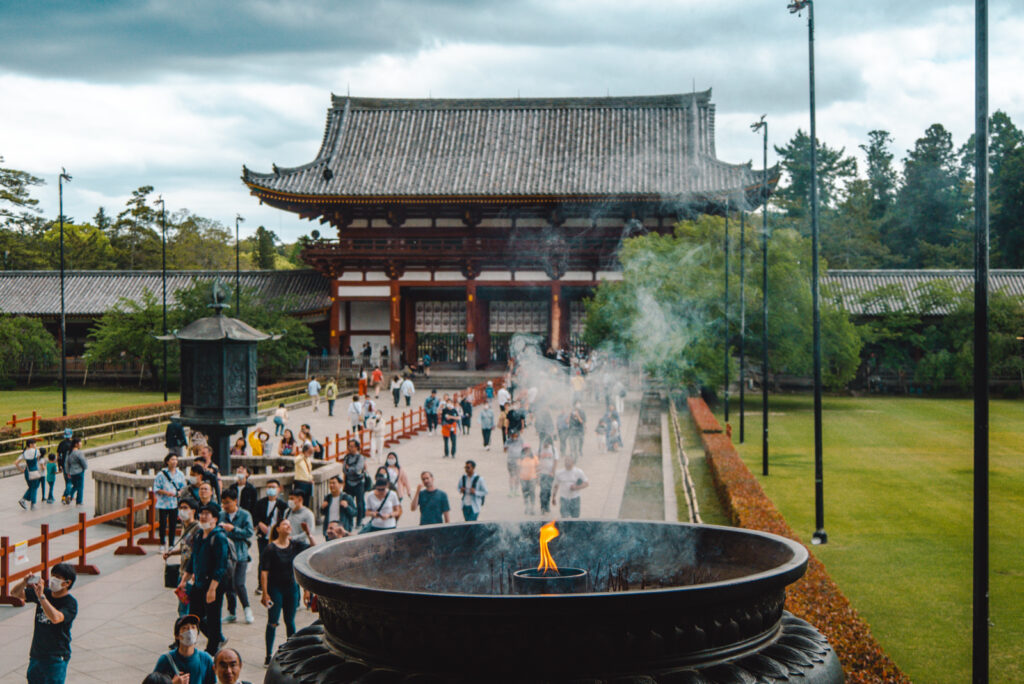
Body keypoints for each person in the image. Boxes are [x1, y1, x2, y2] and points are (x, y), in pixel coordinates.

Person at [260, 518, 314, 667]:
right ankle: (268, 654)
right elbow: (264, 572)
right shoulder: (270, 548)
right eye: (285, 524)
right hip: (275, 589)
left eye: (290, 524)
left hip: (291, 588)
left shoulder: (295, 545)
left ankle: (292, 651)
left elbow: (313, 550)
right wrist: (265, 593)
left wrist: (308, 533)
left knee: (290, 621)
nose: (288, 526)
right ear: (277, 528)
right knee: (273, 622)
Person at [11, 562, 78, 683]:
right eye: (53, 576)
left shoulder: (70, 603)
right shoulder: (45, 593)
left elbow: (56, 618)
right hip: (36, 655)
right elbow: (15, 593)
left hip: (56, 658)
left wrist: (41, 597)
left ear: (67, 583)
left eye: (58, 578)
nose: (53, 580)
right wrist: (24, 582)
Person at [179, 503, 230, 654]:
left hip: (213, 584)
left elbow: (221, 565)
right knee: (195, 617)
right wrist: (184, 580)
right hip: (198, 582)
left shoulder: (219, 537)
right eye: (202, 514)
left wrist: (212, 589)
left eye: (207, 514)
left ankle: (212, 649)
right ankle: (215, 638)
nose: (203, 516)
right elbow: (192, 560)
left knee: (213, 618)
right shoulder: (199, 535)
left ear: (215, 518)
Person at [218, 491, 254, 625]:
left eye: (228, 502)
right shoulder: (221, 515)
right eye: (223, 503)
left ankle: (247, 608)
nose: (225, 506)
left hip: (241, 554)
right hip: (226, 555)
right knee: (228, 585)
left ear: (235, 501)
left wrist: (233, 530)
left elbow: (249, 533)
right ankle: (231, 612)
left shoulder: (245, 515)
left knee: (239, 583)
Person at [163, 498, 201, 617]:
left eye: (185, 508)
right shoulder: (184, 527)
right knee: (183, 605)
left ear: (193, 511)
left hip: (190, 575)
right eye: (180, 508)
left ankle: (187, 629)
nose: (182, 511)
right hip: (182, 572)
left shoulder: (198, 529)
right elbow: (186, 548)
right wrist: (171, 553)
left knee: (186, 608)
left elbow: (198, 552)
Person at [152, 614, 215, 684]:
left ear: (197, 634)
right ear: (177, 635)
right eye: (185, 628)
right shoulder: (166, 660)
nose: (190, 632)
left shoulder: (205, 659)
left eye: (193, 627)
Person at [154, 452, 188, 552]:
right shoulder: (161, 474)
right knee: (163, 524)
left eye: (176, 460)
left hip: (174, 503)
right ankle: (162, 543)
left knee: (173, 524)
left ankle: (171, 544)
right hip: (163, 503)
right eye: (172, 459)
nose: (174, 462)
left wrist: (179, 493)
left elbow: (184, 487)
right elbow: (156, 488)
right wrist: (166, 493)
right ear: (167, 461)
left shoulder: (180, 474)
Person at [253, 480, 288, 569]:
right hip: (263, 536)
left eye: (273, 487)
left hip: (277, 536)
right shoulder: (260, 503)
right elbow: (255, 516)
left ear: (279, 489)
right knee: (263, 560)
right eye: (269, 487)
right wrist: (260, 524)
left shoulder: (283, 505)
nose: (271, 489)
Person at [341, 439, 367, 524]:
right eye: (349, 446)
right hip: (349, 482)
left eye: (352, 446)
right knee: (348, 502)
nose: (350, 448)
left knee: (359, 502)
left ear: (357, 447)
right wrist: (349, 470)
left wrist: (350, 469)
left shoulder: (360, 457)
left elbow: (358, 469)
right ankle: (349, 520)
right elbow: (344, 469)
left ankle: (359, 520)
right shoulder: (347, 457)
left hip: (359, 482)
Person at [16, 438, 44, 509]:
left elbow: (16, 463)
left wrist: (22, 470)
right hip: (34, 471)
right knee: (34, 487)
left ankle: (23, 500)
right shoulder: (36, 451)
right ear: (31, 444)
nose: (35, 445)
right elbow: (38, 460)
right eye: (35, 443)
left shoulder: (24, 452)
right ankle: (32, 503)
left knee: (32, 487)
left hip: (27, 471)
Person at [61, 438, 88, 507]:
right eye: (80, 442)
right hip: (79, 471)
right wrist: (85, 467)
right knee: (80, 487)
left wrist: (68, 472)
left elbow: (66, 463)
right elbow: (83, 462)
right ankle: (79, 501)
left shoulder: (68, 452)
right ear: (76, 444)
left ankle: (69, 495)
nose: (81, 444)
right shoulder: (79, 452)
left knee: (75, 486)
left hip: (72, 472)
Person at [537, 438, 558, 515]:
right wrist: (537, 474)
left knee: (548, 490)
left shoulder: (553, 449)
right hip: (542, 473)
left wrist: (553, 471)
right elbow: (536, 461)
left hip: (550, 473)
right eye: (544, 443)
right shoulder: (539, 450)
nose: (546, 444)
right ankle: (542, 507)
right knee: (542, 490)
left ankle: (547, 506)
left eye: (547, 443)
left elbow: (555, 461)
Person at [518, 445, 539, 515]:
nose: (527, 451)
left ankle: (532, 507)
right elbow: (518, 469)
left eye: (528, 449)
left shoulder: (534, 458)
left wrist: (538, 477)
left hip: (532, 478)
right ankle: (527, 507)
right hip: (523, 478)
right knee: (525, 493)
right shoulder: (520, 459)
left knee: (532, 492)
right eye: (525, 450)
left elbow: (537, 467)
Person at [56, 428, 74, 502]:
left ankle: (68, 496)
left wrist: (59, 466)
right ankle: (64, 496)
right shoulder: (72, 444)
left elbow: (58, 456)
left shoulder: (61, 443)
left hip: (63, 465)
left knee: (67, 482)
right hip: (70, 466)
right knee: (70, 482)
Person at [504, 431, 523, 497]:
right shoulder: (508, 441)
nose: (513, 437)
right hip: (511, 460)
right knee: (512, 476)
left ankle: (516, 490)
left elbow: (523, 449)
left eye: (515, 435)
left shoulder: (520, 440)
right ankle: (511, 490)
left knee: (517, 476)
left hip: (518, 460)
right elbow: (505, 450)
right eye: (512, 435)